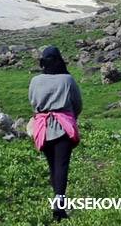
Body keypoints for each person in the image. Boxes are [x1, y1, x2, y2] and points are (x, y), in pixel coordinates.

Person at [29, 46, 82, 221]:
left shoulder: (35, 81)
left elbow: (33, 102)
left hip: (42, 128)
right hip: (63, 127)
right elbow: (77, 104)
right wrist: (69, 115)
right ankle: (59, 206)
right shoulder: (67, 80)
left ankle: (57, 201)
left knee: (52, 166)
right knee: (62, 166)